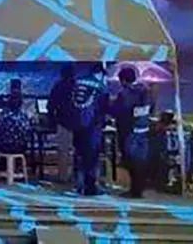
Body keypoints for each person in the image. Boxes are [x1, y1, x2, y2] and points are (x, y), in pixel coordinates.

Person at [64, 64, 110, 196]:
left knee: (79, 154)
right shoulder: (100, 86)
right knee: (91, 157)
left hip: (77, 126)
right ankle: (90, 188)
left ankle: (79, 184)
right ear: (100, 74)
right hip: (92, 127)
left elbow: (70, 103)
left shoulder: (78, 82)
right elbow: (105, 108)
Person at [111, 65, 152, 198]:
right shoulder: (146, 91)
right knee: (140, 161)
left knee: (131, 161)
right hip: (143, 130)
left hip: (128, 132)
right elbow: (151, 109)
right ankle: (138, 189)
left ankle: (135, 191)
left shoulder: (124, 94)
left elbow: (117, 111)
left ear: (123, 80)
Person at [48, 64, 76, 184]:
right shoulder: (78, 86)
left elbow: (51, 105)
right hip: (78, 123)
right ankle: (76, 175)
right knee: (77, 151)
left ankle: (62, 177)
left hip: (63, 121)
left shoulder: (58, 86)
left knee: (63, 151)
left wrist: (51, 120)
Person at [0, 90, 34, 156]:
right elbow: (28, 131)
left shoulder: (3, 115)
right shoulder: (23, 116)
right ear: (20, 103)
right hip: (20, 147)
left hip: (4, 147)